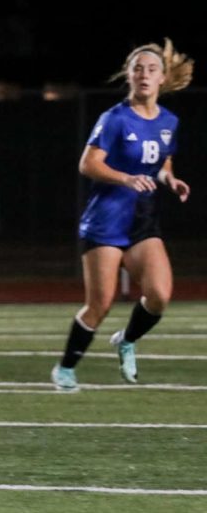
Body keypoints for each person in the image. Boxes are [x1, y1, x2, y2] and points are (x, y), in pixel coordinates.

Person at [51, 39, 193, 391]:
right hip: (106, 219)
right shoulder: (114, 118)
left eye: (152, 69)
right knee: (99, 304)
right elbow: (88, 164)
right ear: (129, 76)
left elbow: (161, 161)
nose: (144, 74)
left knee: (159, 295)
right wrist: (125, 178)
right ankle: (65, 369)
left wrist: (169, 179)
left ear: (162, 78)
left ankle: (127, 340)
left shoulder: (169, 121)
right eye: (138, 69)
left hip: (142, 220)